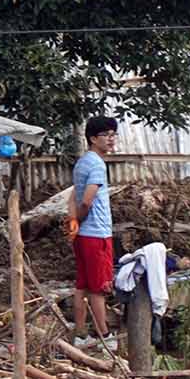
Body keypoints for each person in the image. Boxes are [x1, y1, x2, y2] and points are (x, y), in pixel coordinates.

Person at [70, 115, 118, 340]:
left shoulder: (82, 163)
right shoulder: (97, 165)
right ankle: (105, 337)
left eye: (113, 134)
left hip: (82, 236)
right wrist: (79, 218)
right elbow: (87, 200)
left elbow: (73, 195)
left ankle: (80, 335)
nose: (111, 139)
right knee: (99, 288)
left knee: (82, 286)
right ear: (92, 138)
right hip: (96, 234)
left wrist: (74, 223)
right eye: (106, 135)